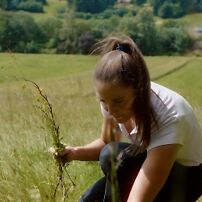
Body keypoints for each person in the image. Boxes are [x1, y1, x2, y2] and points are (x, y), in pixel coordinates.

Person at [50, 36, 202, 202]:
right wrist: (74, 152)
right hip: (150, 160)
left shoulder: (169, 116)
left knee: (113, 157)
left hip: (187, 178)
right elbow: (107, 142)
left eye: (118, 102)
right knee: (107, 163)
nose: (111, 110)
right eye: (103, 102)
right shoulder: (112, 98)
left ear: (139, 90)